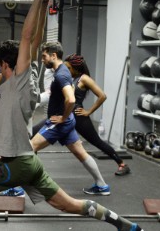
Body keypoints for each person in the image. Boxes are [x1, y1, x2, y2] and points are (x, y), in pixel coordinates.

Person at [0, 0, 143, 231]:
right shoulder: (26, 80)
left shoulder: (19, 83)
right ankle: (126, 226)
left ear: (4, 64)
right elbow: (35, 40)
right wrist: (45, 4)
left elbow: (27, 38)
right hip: (27, 162)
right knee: (68, 205)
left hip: (18, 165)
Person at [30, 42, 111, 196]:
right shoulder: (62, 72)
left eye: (44, 56)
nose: (42, 60)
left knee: (29, 148)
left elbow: (71, 100)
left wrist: (63, 118)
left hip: (60, 123)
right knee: (81, 153)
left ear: (54, 55)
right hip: (67, 121)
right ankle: (102, 185)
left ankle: (27, 186)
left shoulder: (61, 74)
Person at [64, 54, 131, 176]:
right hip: (67, 115)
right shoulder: (72, 79)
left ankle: (122, 164)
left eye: (68, 68)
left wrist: (88, 111)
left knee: (96, 141)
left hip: (78, 116)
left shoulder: (84, 79)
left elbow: (102, 96)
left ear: (75, 68)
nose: (67, 71)